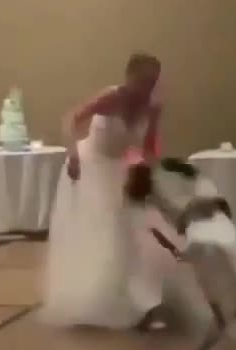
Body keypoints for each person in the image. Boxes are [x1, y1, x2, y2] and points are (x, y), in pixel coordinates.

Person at [39, 52, 171, 329]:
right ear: (130, 77)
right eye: (143, 81)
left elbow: (149, 147)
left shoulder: (153, 106)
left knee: (137, 232)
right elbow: (72, 119)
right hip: (91, 166)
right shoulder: (110, 97)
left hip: (120, 170)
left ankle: (142, 301)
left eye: (153, 82)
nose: (147, 87)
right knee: (104, 230)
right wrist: (73, 154)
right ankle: (97, 299)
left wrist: (150, 172)